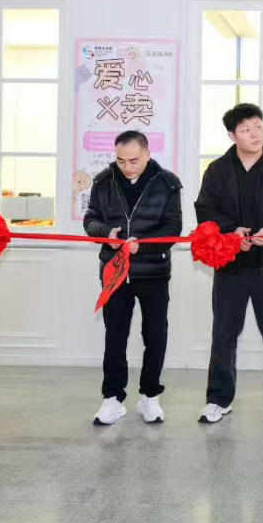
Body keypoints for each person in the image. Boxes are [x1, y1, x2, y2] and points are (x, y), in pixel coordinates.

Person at [194, 103, 263, 425]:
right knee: (224, 334)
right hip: (230, 265)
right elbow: (205, 209)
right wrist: (232, 232)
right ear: (232, 135)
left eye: (258, 126)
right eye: (246, 130)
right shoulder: (217, 170)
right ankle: (218, 399)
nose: (255, 134)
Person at [83, 131, 183, 425]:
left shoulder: (167, 183)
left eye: (134, 160)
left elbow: (173, 227)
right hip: (115, 271)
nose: (127, 167)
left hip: (154, 271)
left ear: (148, 154)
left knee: (155, 335)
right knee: (114, 335)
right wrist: (107, 234)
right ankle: (112, 399)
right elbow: (90, 220)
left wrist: (145, 243)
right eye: (121, 160)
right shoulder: (103, 181)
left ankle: (150, 396)